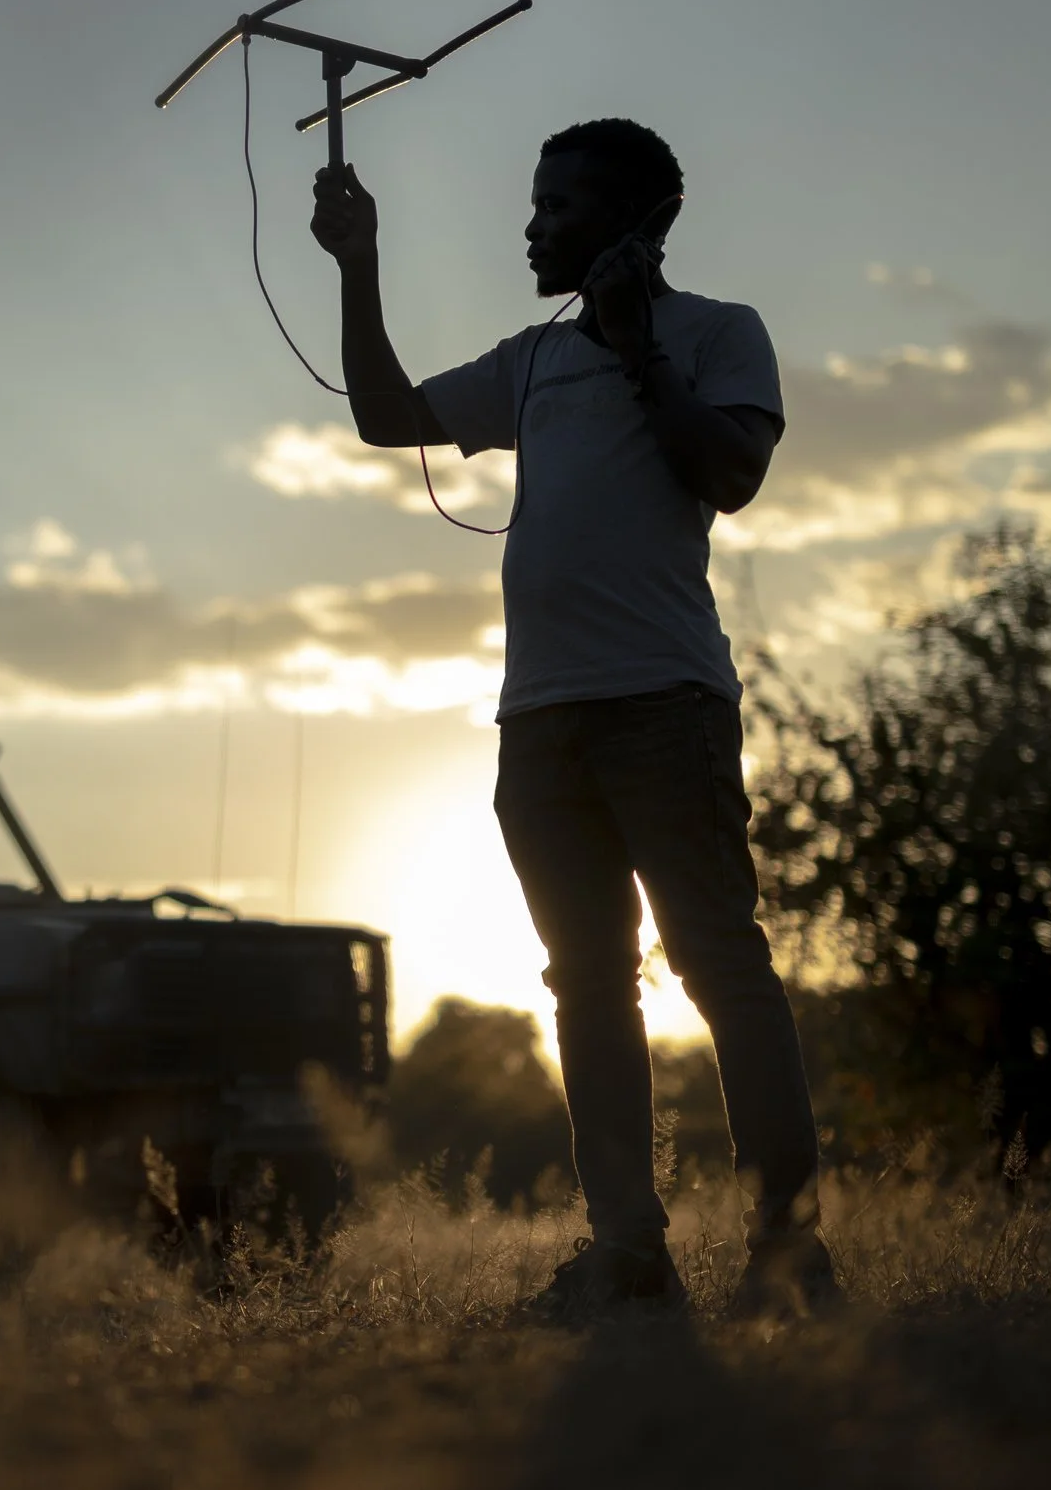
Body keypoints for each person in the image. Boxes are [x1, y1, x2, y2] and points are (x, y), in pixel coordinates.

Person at [309, 119, 839, 1324]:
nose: (532, 227)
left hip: (666, 704)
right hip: (539, 722)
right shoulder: (532, 361)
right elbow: (385, 414)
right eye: (535, 202)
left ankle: (787, 1249)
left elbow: (729, 472)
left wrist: (641, 347)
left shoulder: (718, 333)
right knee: (588, 984)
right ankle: (629, 1254)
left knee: (719, 963)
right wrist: (357, 262)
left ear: (635, 225)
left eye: (558, 207)